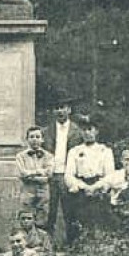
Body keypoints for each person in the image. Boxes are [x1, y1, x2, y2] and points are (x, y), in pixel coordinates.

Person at [64, 116, 116, 241]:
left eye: (90, 129)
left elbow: (110, 174)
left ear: (96, 131)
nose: (87, 133)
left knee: (99, 221)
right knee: (79, 221)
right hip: (81, 188)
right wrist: (83, 186)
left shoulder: (105, 150)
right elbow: (69, 174)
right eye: (84, 130)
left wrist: (96, 187)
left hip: (99, 187)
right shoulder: (74, 151)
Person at [42, 99, 83, 242]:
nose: (60, 111)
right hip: (51, 175)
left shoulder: (78, 132)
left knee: (70, 212)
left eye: (63, 108)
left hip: (68, 175)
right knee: (49, 213)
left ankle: (72, 246)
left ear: (69, 110)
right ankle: (48, 246)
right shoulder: (46, 131)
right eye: (56, 108)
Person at [15, 126, 55, 227]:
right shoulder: (20, 156)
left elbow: (49, 173)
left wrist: (31, 173)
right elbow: (22, 173)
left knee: (42, 218)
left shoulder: (49, 156)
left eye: (37, 136)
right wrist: (40, 173)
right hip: (27, 190)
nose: (35, 139)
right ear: (27, 139)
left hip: (43, 191)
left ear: (42, 139)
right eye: (32, 137)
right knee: (25, 217)